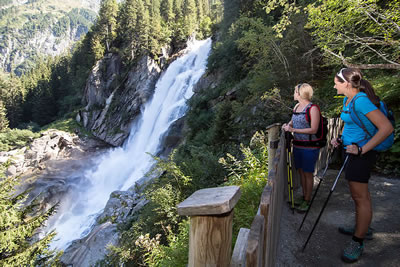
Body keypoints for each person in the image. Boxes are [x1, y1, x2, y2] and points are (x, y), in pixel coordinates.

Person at [331, 68, 394, 263]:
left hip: (361, 155)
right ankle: (361, 226)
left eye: (336, 82)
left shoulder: (361, 101)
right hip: (351, 151)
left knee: (361, 198)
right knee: (356, 196)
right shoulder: (347, 100)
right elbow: (354, 125)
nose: (334, 85)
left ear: (347, 84)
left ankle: (358, 240)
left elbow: (386, 128)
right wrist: (341, 140)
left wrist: (362, 149)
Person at [283, 83, 321, 212]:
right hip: (298, 145)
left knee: (308, 174)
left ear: (300, 93)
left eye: (295, 91)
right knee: (301, 172)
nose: (293, 93)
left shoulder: (313, 108)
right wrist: (287, 126)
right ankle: (304, 196)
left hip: (309, 147)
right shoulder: (296, 106)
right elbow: (292, 122)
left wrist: (293, 129)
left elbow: (314, 129)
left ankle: (307, 200)